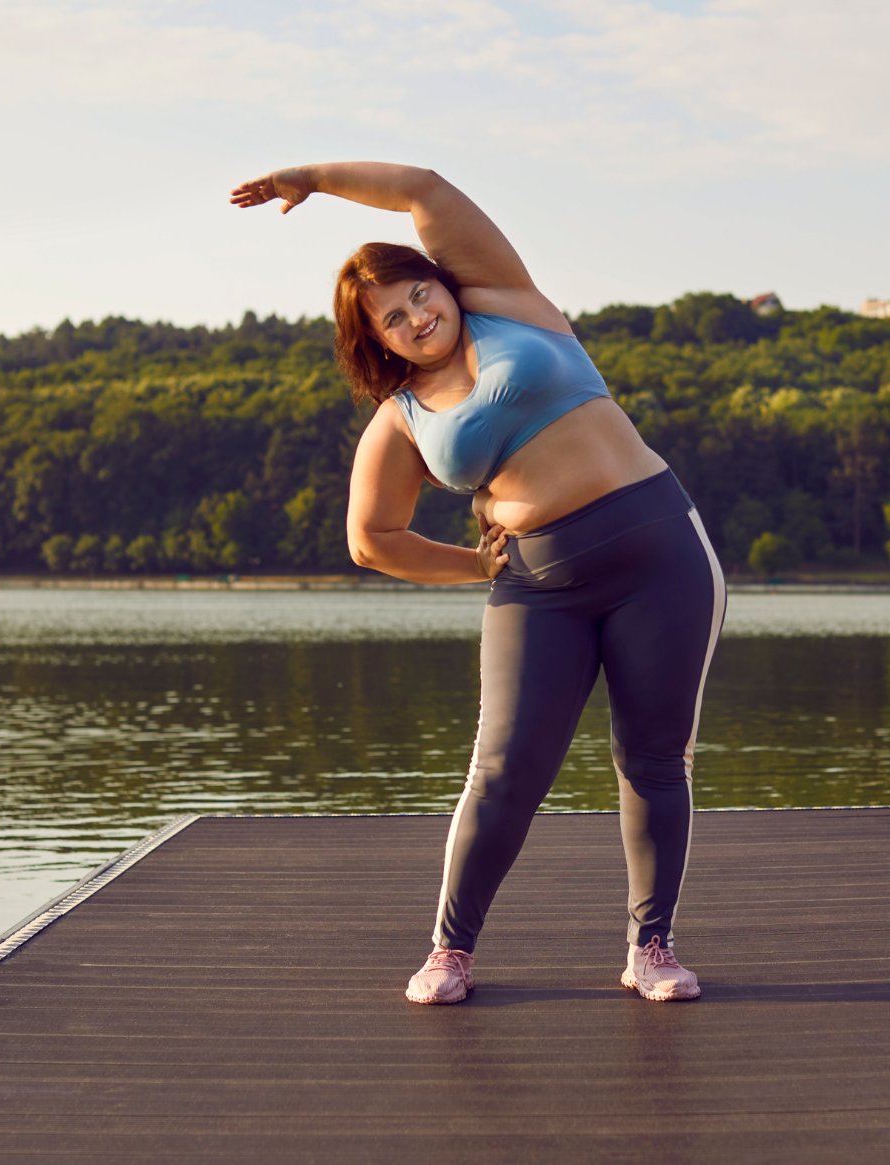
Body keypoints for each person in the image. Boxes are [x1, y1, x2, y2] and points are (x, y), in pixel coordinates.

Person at [230, 163, 725, 1004]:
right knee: (503, 770)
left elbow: (425, 189)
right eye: (392, 319)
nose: (416, 317)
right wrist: (471, 565)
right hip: (539, 585)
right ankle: (450, 951)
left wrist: (310, 178)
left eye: (418, 294)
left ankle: (653, 947)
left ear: (441, 283)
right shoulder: (403, 418)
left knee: (654, 759)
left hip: (661, 557)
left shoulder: (507, 300)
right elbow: (370, 539)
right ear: (378, 341)